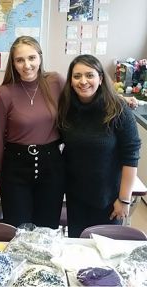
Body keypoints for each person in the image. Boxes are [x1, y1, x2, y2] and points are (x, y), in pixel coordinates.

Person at [58, 54, 141, 237]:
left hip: (109, 200)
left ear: (101, 78)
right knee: (78, 248)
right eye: (77, 76)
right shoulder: (67, 107)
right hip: (76, 197)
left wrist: (124, 200)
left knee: (104, 255)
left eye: (90, 75)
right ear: (70, 81)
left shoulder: (118, 109)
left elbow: (131, 157)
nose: (83, 81)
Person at [0, 36, 65, 229]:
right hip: (15, 167)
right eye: (20, 60)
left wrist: (120, 101)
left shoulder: (56, 82)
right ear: (13, 63)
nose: (27, 65)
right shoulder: (4, 93)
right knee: (17, 231)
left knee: (47, 230)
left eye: (32, 58)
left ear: (40, 57)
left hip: (51, 165)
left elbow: (85, 99)